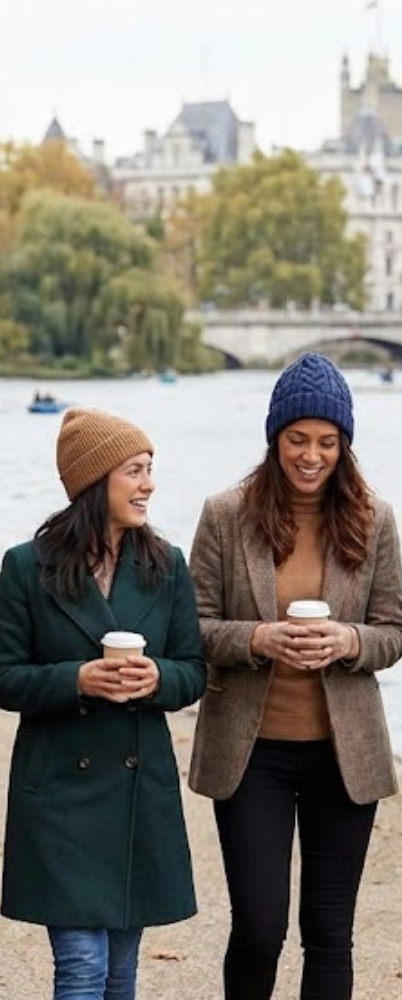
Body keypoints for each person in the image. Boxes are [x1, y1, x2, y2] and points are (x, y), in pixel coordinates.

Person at [188, 353, 402, 1000]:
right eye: (298, 440)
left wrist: (349, 639)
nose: (312, 456)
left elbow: (394, 631)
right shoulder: (226, 515)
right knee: (259, 926)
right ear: (275, 438)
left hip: (346, 756)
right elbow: (190, 628)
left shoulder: (375, 519)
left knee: (330, 934)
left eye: (327, 443)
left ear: (345, 445)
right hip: (252, 756)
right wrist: (257, 638)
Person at [0, 407, 206, 1000]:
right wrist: (77, 680)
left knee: (119, 972)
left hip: (138, 791)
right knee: (82, 966)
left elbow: (194, 673)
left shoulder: (167, 566)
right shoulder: (26, 568)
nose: (149, 484)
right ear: (94, 480)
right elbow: (1, 678)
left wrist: (156, 678)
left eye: (150, 470)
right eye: (135, 470)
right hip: (59, 790)